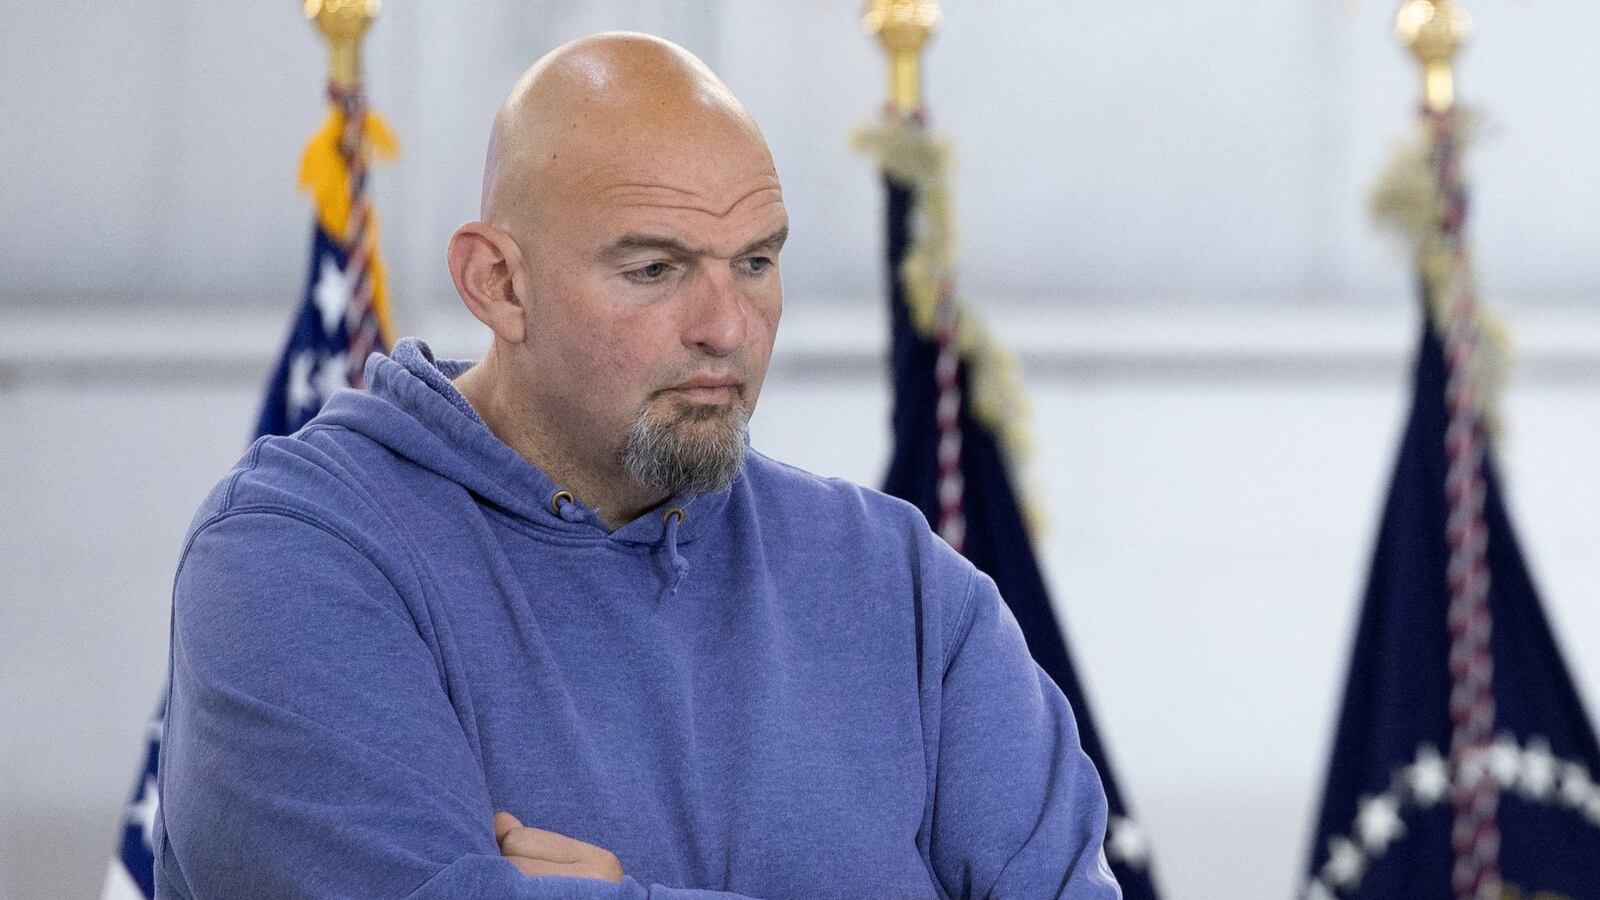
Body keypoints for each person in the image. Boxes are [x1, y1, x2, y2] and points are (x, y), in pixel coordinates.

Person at [154, 32, 1121, 900]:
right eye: (654, 269)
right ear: (498, 283)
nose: (727, 328)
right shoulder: (294, 558)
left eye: (755, 261)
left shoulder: (906, 590)